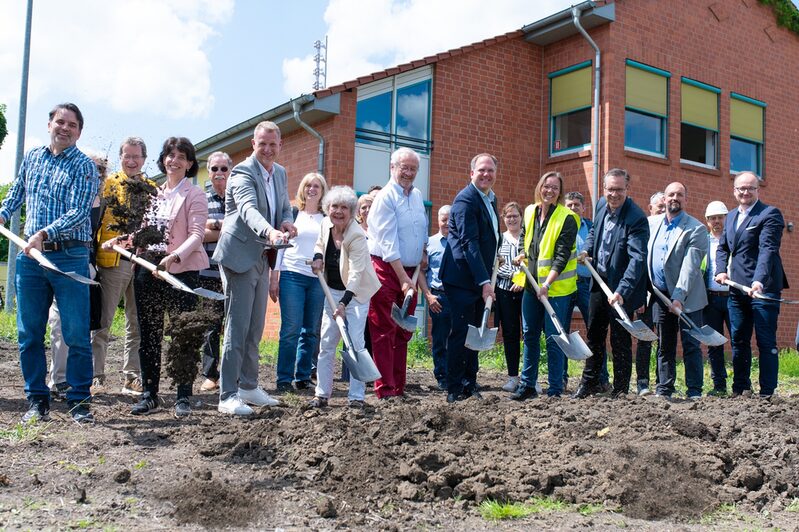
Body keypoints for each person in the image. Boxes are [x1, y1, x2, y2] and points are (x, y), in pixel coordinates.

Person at [0, 102, 99, 423]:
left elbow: (79, 211)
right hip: (30, 260)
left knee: (75, 333)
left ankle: (79, 402)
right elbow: (17, 193)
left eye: (72, 124)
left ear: (79, 132)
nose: (65, 128)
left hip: (69, 256)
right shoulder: (33, 158)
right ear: (49, 125)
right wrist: (2, 212)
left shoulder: (84, 166)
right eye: (60, 122)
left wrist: (43, 233)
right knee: (29, 333)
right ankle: (37, 401)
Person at [105, 137, 208, 418]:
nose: (174, 160)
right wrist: (121, 240)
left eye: (181, 156)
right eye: (170, 155)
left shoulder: (194, 194)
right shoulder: (154, 194)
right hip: (148, 270)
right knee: (148, 333)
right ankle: (150, 394)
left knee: (183, 335)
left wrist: (174, 257)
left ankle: (183, 396)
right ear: (163, 159)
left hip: (182, 272)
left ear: (189, 164)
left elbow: (197, 235)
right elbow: (145, 234)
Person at [213, 121, 296, 416]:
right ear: (253, 143)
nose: (268, 149)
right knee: (238, 326)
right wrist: (270, 232)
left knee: (255, 327)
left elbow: (284, 206)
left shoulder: (281, 173)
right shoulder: (241, 172)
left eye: (273, 144)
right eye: (263, 144)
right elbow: (248, 209)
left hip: (262, 257)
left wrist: (285, 222)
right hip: (239, 256)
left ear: (280, 145)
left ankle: (248, 385)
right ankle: (227, 394)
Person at [573, 168, 649, 399]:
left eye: (619, 189)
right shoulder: (600, 205)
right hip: (599, 281)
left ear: (627, 189)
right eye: (610, 189)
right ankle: (590, 382)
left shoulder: (636, 218)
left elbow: (637, 259)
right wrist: (587, 248)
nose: (613, 194)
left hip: (621, 287)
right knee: (594, 334)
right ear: (604, 189)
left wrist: (622, 291)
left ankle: (620, 389)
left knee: (620, 338)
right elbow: (594, 230)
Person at [715, 171, 788, 398]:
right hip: (737, 289)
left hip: (763, 290)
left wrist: (759, 280)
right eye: (741, 188)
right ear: (734, 190)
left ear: (758, 190)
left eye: (750, 188)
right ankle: (741, 388)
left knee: (765, 341)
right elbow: (723, 248)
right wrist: (720, 270)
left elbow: (768, 250)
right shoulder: (731, 216)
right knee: (739, 339)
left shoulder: (770, 214)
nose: (745, 192)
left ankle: (767, 392)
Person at [92, 137, 153, 396]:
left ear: (144, 159)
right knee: (102, 322)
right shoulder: (108, 185)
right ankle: (96, 377)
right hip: (113, 261)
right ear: (121, 157)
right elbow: (95, 221)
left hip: (142, 263)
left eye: (136, 156)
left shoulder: (152, 189)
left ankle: (131, 377)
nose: (131, 161)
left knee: (136, 323)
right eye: (127, 156)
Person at [310, 186, 381, 408]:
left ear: (351, 211)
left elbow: (357, 274)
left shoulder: (357, 235)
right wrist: (318, 256)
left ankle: (357, 397)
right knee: (327, 341)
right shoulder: (325, 224)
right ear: (327, 209)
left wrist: (343, 303)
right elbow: (320, 242)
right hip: (331, 288)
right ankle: (321, 394)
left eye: (343, 207)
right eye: (334, 207)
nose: (338, 211)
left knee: (356, 344)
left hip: (357, 294)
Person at [510, 172, 579, 399]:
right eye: (546, 186)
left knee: (553, 338)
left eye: (555, 188)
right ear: (540, 187)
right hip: (532, 287)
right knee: (529, 334)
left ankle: (555, 389)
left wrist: (547, 284)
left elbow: (561, 255)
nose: (549, 191)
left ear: (560, 192)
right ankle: (528, 385)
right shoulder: (530, 211)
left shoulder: (567, 218)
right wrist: (521, 253)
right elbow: (523, 236)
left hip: (556, 290)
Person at [439, 153, 502, 403]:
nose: (486, 174)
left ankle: (469, 383)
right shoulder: (466, 199)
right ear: (471, 173)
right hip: (462, 279)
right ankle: (454, 388)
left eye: (491, 171)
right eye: (481, 170)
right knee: (462, 333)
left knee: (476, 331)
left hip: (478, 277)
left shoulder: (489, 198)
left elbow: (489, 237)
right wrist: (484, 282)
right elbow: (469, 243)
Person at [367, 147, 428, 400]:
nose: (409, 173)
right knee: (384, 329)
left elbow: (421, 228)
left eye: (413, 169)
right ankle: (385, 389)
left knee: (403, 329)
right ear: (392, 168)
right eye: (404, 167)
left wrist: (423, 253)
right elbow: (388, 243)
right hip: (387, 269)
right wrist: (402, 277)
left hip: (411, 272)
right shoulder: (385, 198)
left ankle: (399, 387)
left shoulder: (417, 196)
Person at [48, 151, 108, 398]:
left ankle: (76, 380)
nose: (94, 173)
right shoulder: (68, 196)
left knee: (79, 326)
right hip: (59, 262)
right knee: (58, 323)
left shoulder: (104, 203)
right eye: (90, 167)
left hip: (87, 267)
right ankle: (58, 379)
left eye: (100, 170)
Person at [647, 182, 708, 399]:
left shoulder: (697, 228)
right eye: (671, 194)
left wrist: (679, 297)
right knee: (665, 344)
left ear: (685, 199)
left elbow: (690, 268)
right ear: (663, 199)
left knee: (691, 345)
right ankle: (664, 388)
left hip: (688, 298)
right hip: (661, 296)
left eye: (680, 194)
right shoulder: (652, 224)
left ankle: (694, 391)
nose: (675, 198)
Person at [272, 172, 328, 392]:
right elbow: (279, 248)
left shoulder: (327, 218)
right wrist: (274, 277)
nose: (312, 189)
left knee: (311, 330)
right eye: (308, 186)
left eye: (317, 186)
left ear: (323, 191)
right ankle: (284, 378)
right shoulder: (293, 214)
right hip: (292, 275)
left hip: (317, 280)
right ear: (303, 189)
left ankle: (303, 376)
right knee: (291, 329)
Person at [563, 191, 611, 393]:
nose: (573, 208)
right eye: (570, 205)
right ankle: (561, 378)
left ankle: (600, 378)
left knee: (595, 330)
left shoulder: (592, 228)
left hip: (586, 283)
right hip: (564, 283)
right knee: (562, 331)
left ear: (584, 208)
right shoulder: (559, 226)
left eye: (577, 205)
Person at [198, 151, 232, 392]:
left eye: (223, 169)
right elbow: (198, 234)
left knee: (233, 325)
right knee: (210, 326)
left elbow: (245, 230)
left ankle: (233, 374)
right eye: (214, 169)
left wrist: (216, 226)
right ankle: (210, 375)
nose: (219, 173)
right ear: (208, 172)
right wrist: (227, 229)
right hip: (207, 274)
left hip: (233, 272)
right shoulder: (201, 199)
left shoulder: (238, 199)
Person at [634, 190, 667, 395]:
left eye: (665, 207)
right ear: (651, 208)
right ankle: (642, 383)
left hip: (664, 293)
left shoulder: (671, 228)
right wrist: (639, 294)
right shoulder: (643, 226)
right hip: (645, 293)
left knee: (664, 339)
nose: (662, 210)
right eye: (659, 207)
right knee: (645, 338)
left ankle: (662, 383)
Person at [495, 202, 524, 393]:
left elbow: (534, 261)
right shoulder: (499, 239)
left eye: (515, 215)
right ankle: (513, 377)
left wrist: (522, 279)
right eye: (508, 216)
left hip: (527, 290)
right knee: (510, 334)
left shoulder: (528, 238)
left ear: (521, 217)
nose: (512, 219)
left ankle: (531, 377)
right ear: (503, 219)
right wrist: (513, 275)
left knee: (530, 333)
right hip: (504, 291)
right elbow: (495, 263)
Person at [703, 200, 731, 396]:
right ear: (707, 221)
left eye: (720, 217)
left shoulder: (733, 241)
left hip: (732, 298)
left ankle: (741, 384)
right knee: (714, 342)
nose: (716, 221)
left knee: (738, 340)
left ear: (726, 219)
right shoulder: (702, 242)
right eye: (712, 218)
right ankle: (719, 384)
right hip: (710, 299)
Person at [426, 205, 451, 391]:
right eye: (444, 219)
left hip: (458, 298)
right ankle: (441, 376)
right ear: (438, 220)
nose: (447, 223)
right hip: (438, 298)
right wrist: (428, 296)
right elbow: (423, 271)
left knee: (459, 338)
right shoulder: (430, 243)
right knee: (440, 338)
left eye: (450, 219)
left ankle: (457, 375)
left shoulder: (461, 242)